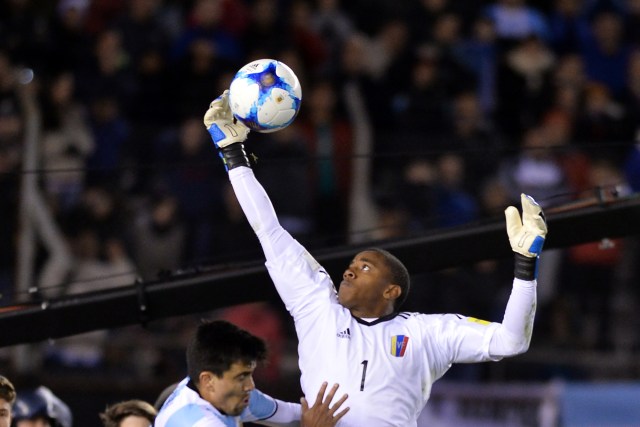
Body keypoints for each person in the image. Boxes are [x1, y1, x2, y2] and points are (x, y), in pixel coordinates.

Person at [203, 90, 548, 426]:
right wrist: (232, 154)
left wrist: (524, 264)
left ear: (391, 290)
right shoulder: (317, 308)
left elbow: (510, 341)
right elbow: (269, 229)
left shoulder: (426, 334)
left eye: (364, 267)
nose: (349, 272)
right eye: (352, 266)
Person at [154, 319, 349, 427]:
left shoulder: (231, 395)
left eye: (249, 374)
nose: (251, 386)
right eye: (241, 377)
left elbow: (292, 415)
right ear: (208, 380)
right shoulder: (196, 422)